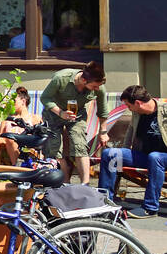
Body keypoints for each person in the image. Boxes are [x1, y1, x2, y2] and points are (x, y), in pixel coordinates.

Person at [98, 85, 167, 218]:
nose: (128, 109)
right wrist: (121, 157)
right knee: (110, 154)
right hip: (145, 157)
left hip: (162, 158)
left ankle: (150, 208)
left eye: (128, 105)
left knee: (155, 157)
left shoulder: (164, 111)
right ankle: (105, 203)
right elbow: (130, 132)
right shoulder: (137, 113)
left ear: (138, 103)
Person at [40, 61, 109, 184]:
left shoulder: (98, 85)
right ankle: (64, 184)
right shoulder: (61, 78)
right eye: (94, 86)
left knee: (80, 146)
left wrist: (103, 132)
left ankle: (85, 186)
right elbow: (45, 98)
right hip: (53, 115)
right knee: (54, 150)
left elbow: (103, 111)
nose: (97, 89)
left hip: (77, 115)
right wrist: (61, 113)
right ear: (83, 80)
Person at [0, 86, 41, 165]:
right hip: (6, 145)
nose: (11, 104)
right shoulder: (7, 118)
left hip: (25, 146)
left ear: (23, 101)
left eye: (14, 101)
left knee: (12, 138)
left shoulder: (34, 118)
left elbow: (38, 138)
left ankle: (17, 167)